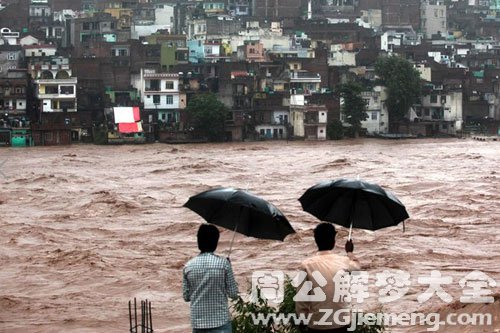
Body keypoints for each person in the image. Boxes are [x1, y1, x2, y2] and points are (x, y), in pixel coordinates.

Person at [295, 223, 360, 333]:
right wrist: (350, 252)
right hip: (342, 322)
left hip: (317, 324)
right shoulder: (344, 262)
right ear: (334, 241)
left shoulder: (306, 265)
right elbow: (357, 268)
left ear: (315, 240)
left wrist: (302, 320)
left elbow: (302, 299)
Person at [183, 224, 239, 333]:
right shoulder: (224, 265)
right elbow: (233, 294)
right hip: (220, 323)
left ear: (198, 242)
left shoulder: (188, 266)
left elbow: (186, 296)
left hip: (198, 324)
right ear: (216, 243)